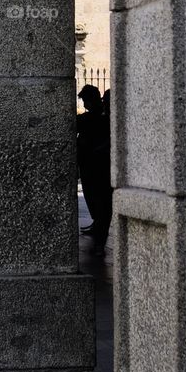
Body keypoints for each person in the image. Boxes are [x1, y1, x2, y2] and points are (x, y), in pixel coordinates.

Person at [76, 85, 112, 253]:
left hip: (98, 164)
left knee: (100, 200)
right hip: (89, 163)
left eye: (86, 100)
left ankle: (100, 237)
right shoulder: (90, 118)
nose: (84, 104)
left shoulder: (102, 118)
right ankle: (98, 225)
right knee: (92, 197)